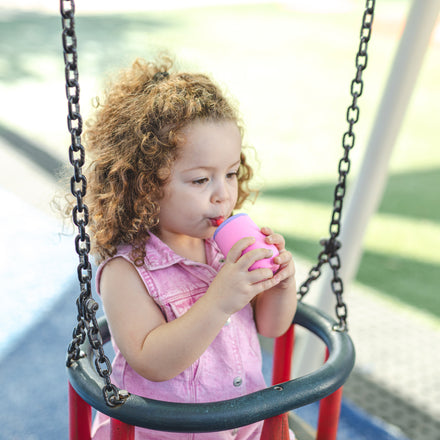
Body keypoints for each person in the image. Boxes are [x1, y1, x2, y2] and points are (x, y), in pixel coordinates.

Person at [84, 56, 297, 439]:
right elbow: (152, 361)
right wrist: (218, 301)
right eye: (201, 180)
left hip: (242, 425)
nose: (223, 195)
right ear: (146, 185)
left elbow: (272, 326)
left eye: (230, 173)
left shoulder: (222, 249)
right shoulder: (127, 271)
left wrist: (280, 284)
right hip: (164, 434)